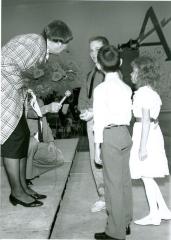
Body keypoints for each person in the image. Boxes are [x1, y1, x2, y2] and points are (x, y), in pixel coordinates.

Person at [1, 20, 73, 207]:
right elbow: (4, 62)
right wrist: (24, 83)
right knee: (13, 142)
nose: (65, 48)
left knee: (23, 136)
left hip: (15, 98)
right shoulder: (34, 42)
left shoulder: (41, 49)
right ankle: (16, 192)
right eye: (65, 44)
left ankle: (23, 186)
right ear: (57, 41)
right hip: (5, 95)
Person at [93, 45, 133, 240]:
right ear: (121, 63)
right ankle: (124, 222)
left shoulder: (100, 90)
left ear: (98, 65)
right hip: (125, 134)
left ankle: (115, 233)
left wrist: (96, 147)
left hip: (109, 136)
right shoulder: (126, 87)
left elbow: (99, 121)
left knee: (112, 185)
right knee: (124, 181)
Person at [129, 56, 171, 225]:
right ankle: (164, 210)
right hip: (152, 133)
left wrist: (142, 147)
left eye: (134, 71)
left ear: (142, 74)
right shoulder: (151, 92)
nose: (131, 74)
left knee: (146, 176)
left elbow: (145, 120)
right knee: (148, 176)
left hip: (145, 134)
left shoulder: (143, 93)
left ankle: (154, 215)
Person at [78, 36, 109, 213]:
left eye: (97, 49)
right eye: (91, 50)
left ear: (106, 50)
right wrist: (84, 110)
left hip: (109, 124)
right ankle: (103, 195)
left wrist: (93, 111)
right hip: (92, 123)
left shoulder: (112, 74)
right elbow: (83, 97)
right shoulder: (90, 74)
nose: (93, 53)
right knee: (95, 161)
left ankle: (115, 195)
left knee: (109, 161)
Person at [26, 94, 64, 181]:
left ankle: (30, 171)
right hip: (26, 145)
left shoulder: (40, 103)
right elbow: (31, 113)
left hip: (38, 146)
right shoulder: (23, 105)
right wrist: (47, 108)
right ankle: (26, 178)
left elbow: (45, 125)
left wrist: (51, 141)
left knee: (58, 158)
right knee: (32, 143)